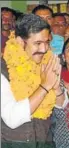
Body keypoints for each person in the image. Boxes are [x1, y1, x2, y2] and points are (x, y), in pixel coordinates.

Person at [1, 14, 61, 148]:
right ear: (20, 42)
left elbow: (60, 105)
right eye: (38, 43)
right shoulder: (3, 69)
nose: (44, 49)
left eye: (47, 42)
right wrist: (45, 86)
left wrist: (57, 88)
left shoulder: (48, 61)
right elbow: (12, 118)